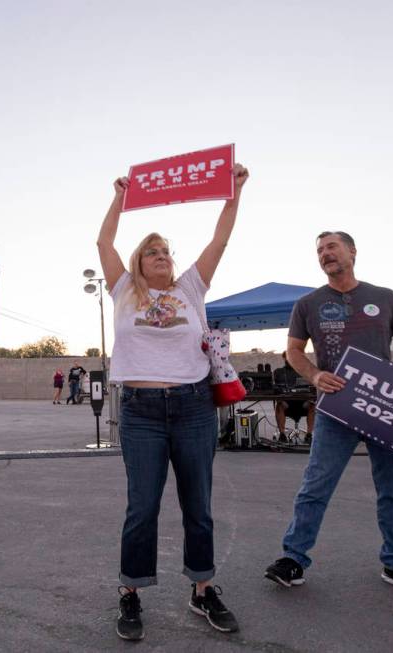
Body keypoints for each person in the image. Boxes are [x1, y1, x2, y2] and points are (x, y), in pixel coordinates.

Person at [99, 163, 250, 640]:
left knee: (197, 505)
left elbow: (219, 242)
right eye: (153, 252)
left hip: (192, 409)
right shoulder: (124, 291)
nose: (162, 256)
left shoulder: (190, 289)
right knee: (142, 507)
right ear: (140, 262)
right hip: (141, 412)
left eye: (167, 251)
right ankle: (131, 593)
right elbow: (104, 245)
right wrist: (120, 198)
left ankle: (202, 589)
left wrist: (234, 193)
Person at [264, 231, 393, 603]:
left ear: (352, 252)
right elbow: (294, 351)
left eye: (331, 247)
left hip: (385, 408)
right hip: (335, 409)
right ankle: (293, 559)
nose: (324, 254)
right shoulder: (308, 303)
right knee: (315, 486)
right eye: (319, 250)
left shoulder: (384, 297)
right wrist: (314, 375)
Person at [272, 352, 315, 442]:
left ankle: (309, 434)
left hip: (303, 404)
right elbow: (273, 387)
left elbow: (313, 386)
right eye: (288, 357)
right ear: (284, 358)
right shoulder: (278, 372)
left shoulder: (305, 371)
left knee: (312, 405)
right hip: (287, 404)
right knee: (279, 405)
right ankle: (282, 434)